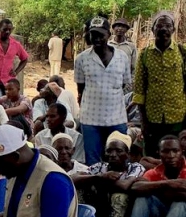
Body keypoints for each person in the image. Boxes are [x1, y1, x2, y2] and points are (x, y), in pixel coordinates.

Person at [110, 135, 186, 217]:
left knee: (181, 204)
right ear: (159, 153)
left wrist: (158, 189)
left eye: (175, 151)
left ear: (182, 152)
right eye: (166, 151)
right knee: (143, 197)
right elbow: (136, 187)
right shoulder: (155, 172)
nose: (171, 155)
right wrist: (168, 185)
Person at [72, 131, 144, 217]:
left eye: (118, 151)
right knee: (80, 189)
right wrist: (100, 177)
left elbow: (124, 186)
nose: (113, 155)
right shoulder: (101, 167)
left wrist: (99, 181)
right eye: (109, 151)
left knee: (119, 196)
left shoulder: (135, 168)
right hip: (100, 214)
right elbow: (72, 179)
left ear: (127, 154)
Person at [74, 16, 131, 164]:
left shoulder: (122, 57)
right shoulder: (81, 59)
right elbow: (81, 87)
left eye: (101, 34)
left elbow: (124, 84)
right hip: (91, 119)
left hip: (116, 118)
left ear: (108, 35)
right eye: (93, 34)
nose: (97, 38)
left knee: (118, 160)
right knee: (93, 161)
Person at [133, 12, 186, 158]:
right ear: (153, 30)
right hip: (152, 118)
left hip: (178, 116)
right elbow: (139, 90)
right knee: (152, 154)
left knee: (176, 156)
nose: (164, 29)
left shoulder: (182, 52)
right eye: (159, 25)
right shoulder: (144, 54)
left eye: (168, 26)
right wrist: (143, 122)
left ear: (173, 30)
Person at [110, 18, 137, 86]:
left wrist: (131, 82)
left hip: (125, 84)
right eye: (118, 26)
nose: (120, 28)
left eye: (123, 26)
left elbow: (134, 67)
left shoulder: (131, 47)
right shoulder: (107, 45)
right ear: (113, 28)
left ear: (126, 30)